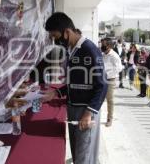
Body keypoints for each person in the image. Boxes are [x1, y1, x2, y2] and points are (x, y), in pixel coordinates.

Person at [42, 12, 107, 164]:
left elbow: (102, 85)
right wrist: (57, 92)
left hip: (85, 111)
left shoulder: (89, 50)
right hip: (73, 109)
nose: (55, 40)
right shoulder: (72, 50)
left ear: (67, 32)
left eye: (55, 36)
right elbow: (76, 82)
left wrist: (88, 113)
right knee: (78, 155)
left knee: (85, 157)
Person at [101, 38, 123, 127]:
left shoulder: (114, 56)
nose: (102, 46)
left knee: (109, 100)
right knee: (99, 98)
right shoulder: (103, 54)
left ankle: (109, 118)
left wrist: (108, 74)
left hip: (110, 79)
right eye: (101, 44)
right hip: (102, 79)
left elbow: (119, 68)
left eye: (103, 45)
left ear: (109, 46)